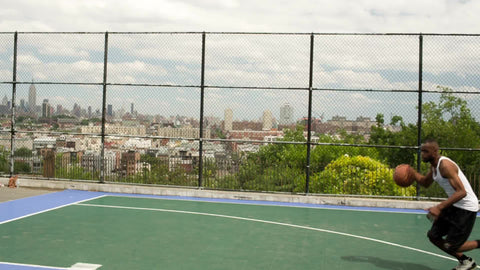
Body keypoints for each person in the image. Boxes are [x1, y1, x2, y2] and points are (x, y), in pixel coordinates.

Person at [412, 139, 479, 270]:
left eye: (426, 151)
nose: (423, 154)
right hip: (455, 205)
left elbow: (461, 192)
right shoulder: (434, 166)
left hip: (466, 207)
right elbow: (425, 182)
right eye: (422, 151)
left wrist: (439, 207)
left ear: (435, 151)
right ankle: (465, 261)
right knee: (433, 236)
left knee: (453, 246)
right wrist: (412, 173)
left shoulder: (445, 166)